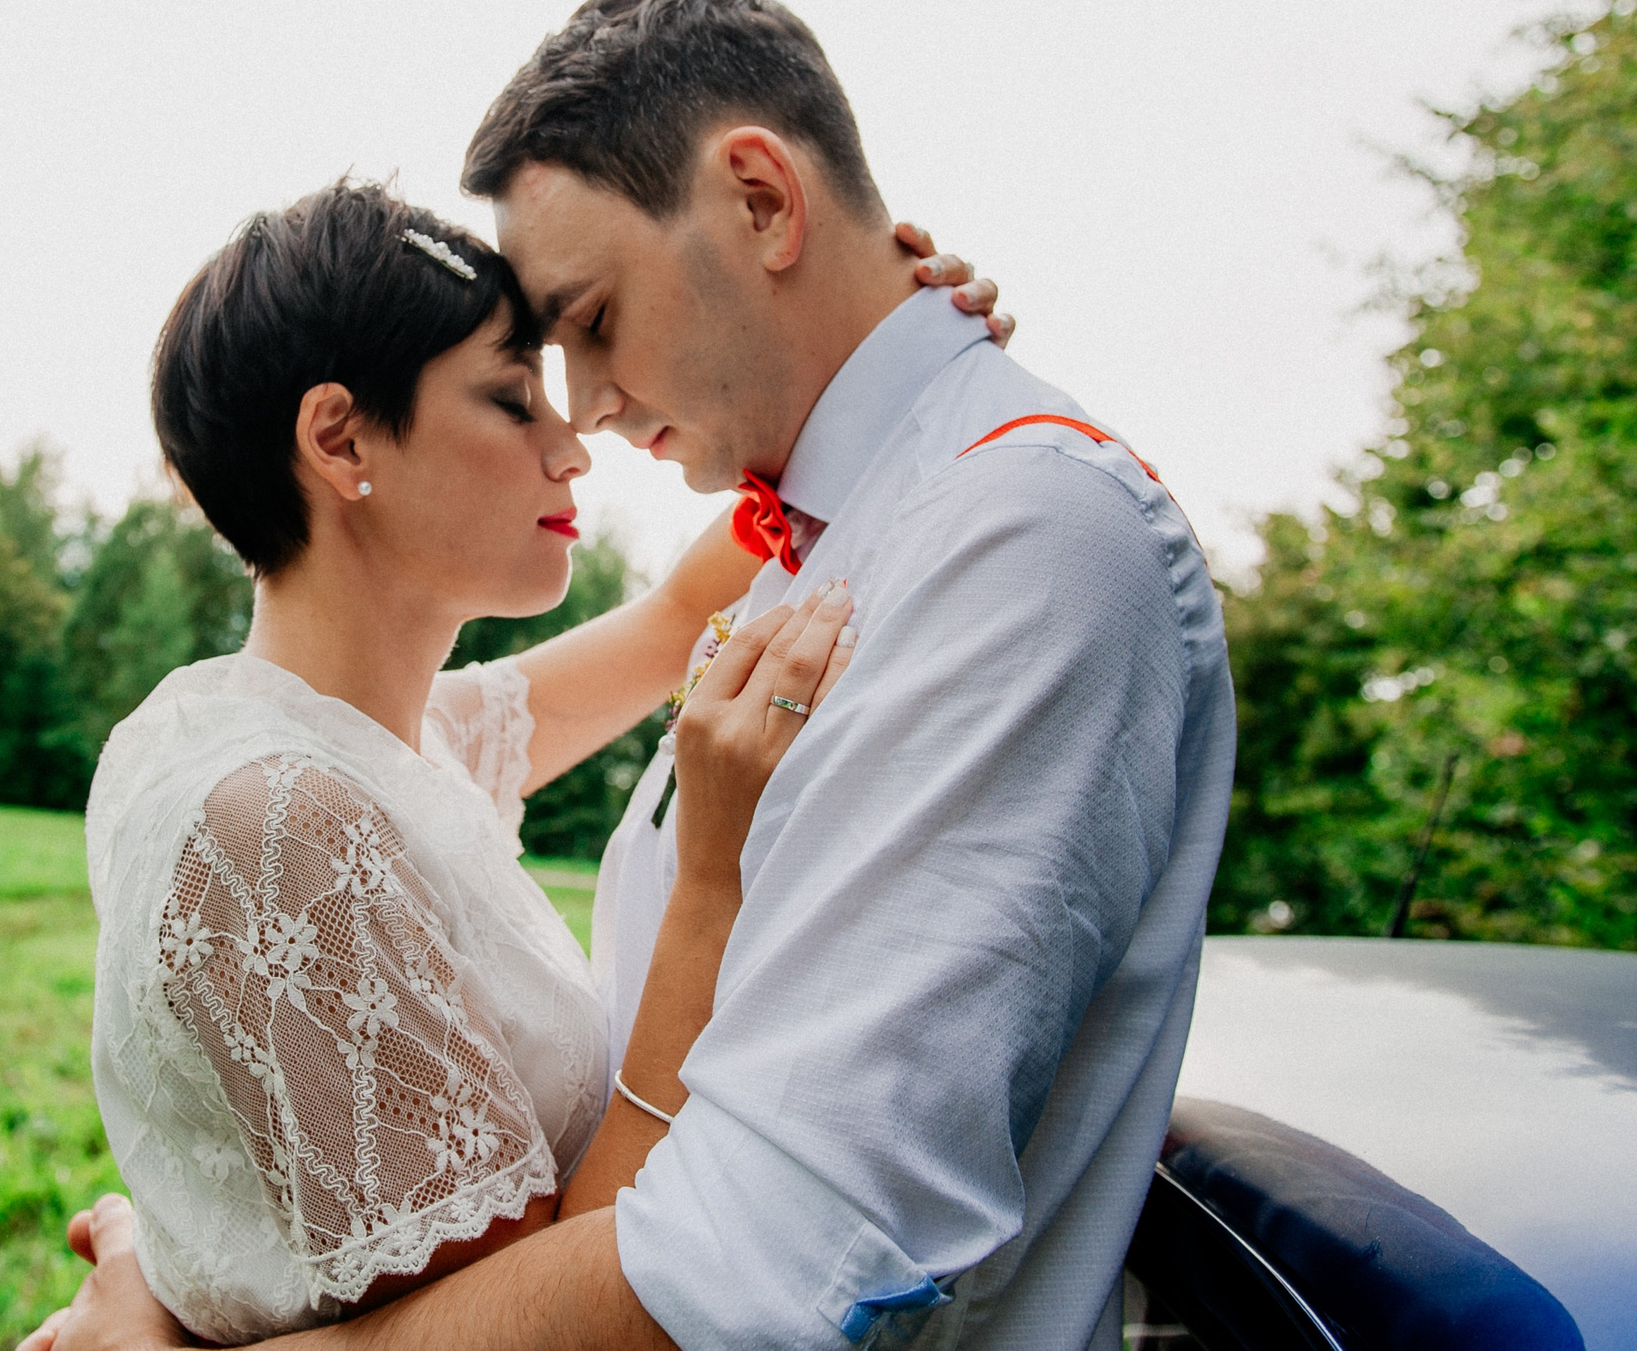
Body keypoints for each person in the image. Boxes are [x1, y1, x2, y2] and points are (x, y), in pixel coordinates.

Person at [35, 0, 1231, 1351]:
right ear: (339, 441)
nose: (581, 424)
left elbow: (761, 1265)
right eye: (526, 379)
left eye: (591, 324)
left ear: (765, 203)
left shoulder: (1014, 541)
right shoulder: (833, 547)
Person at [70, 180, 1000, 1344]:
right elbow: (543, 1317)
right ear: (341, 438)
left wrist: (880, 347)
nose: (575, 452)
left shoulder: (379, 741)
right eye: (515, 401)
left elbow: (673, 618)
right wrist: (712, 879)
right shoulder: (278, 819)